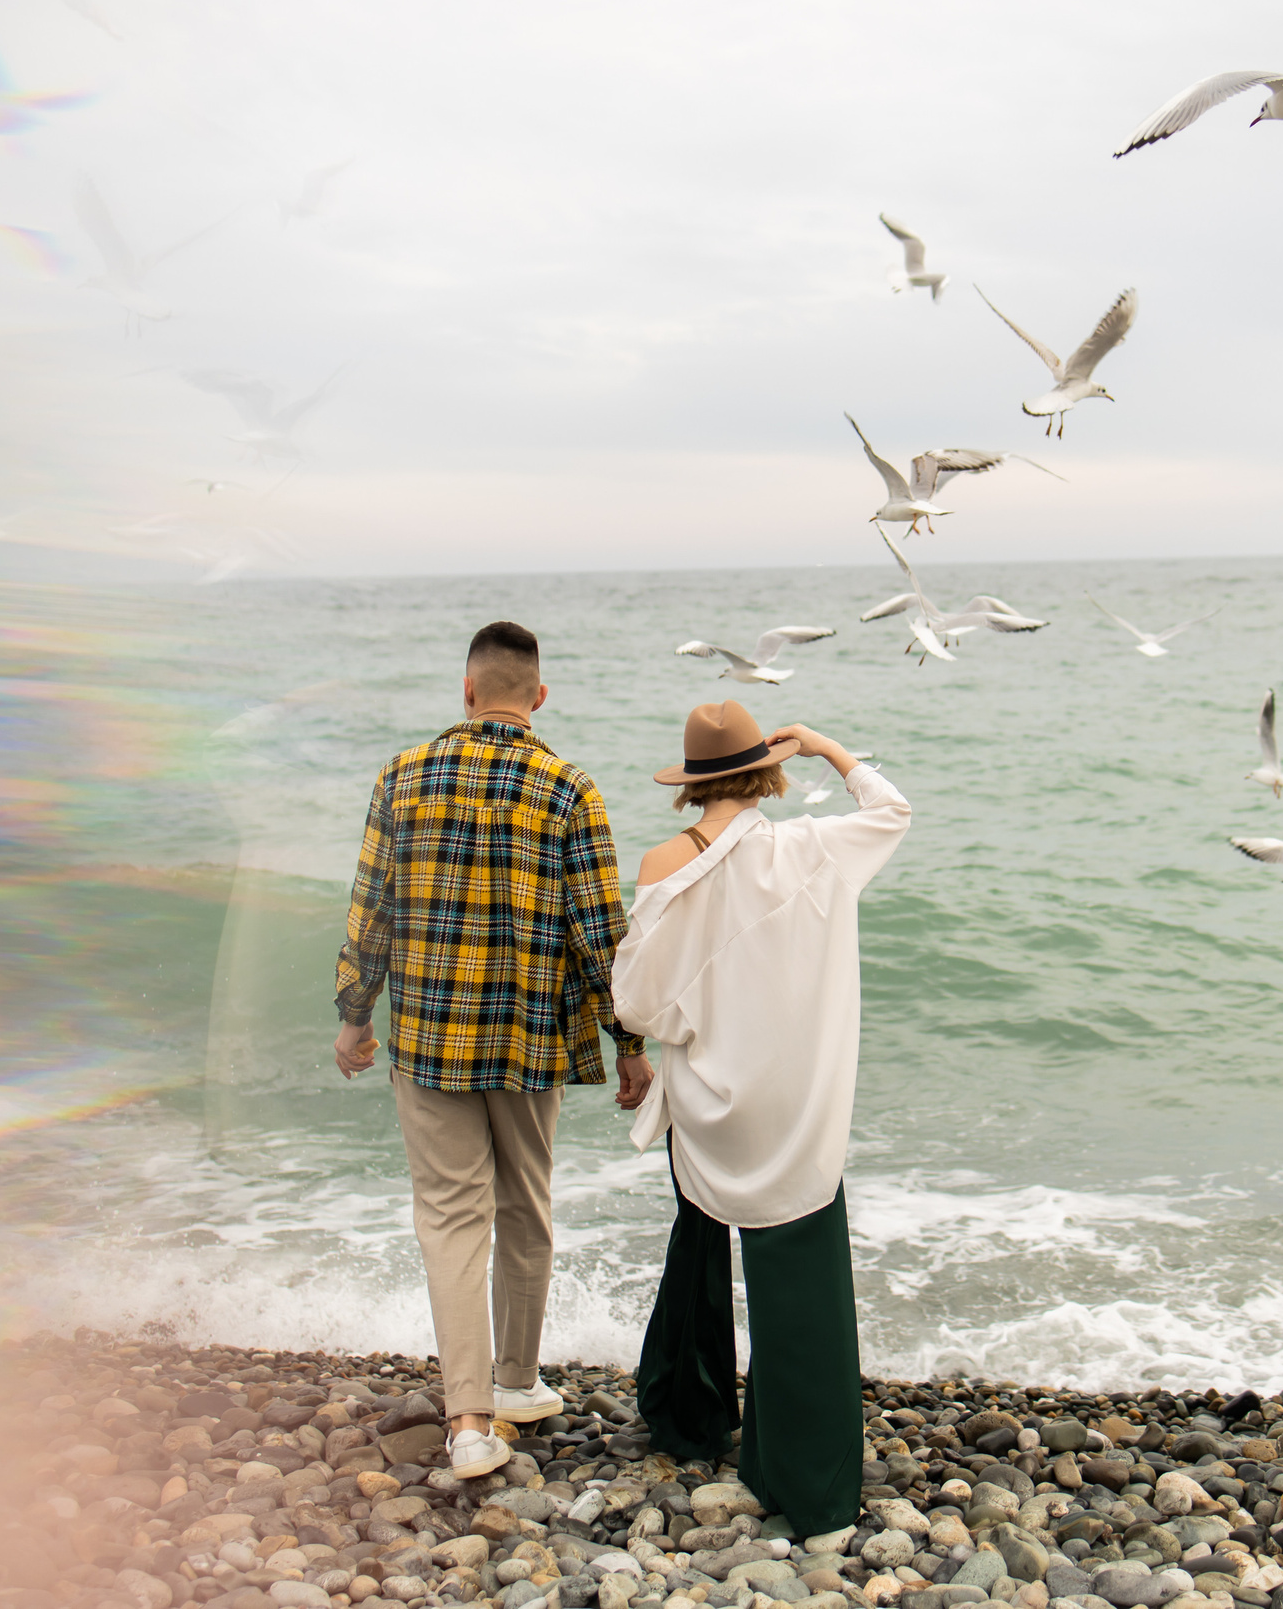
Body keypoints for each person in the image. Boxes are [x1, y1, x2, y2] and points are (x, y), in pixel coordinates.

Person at [330, 620, 653, 1479]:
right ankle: (514, 1378)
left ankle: (470, 1419)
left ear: (468, 690)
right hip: (528, 1039)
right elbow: (601, 932)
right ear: (538, 696)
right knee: (525, 1205)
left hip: (430, 1037)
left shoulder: (401, 775)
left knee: (449, 1217)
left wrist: (356, 1013)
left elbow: (371, 909)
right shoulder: (569, 787)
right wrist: (629, 1040)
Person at [611, 700, 911, 1535]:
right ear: (765, 771)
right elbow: (892, 809)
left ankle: (690, 1411)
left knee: (700, 1243)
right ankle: (806, 1481)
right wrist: (824, 746)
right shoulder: (813, 849)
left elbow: (636, 1000)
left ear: (691, 782)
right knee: (801, 1285)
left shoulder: (664, 861)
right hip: (794, 1106)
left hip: (710, 1103)